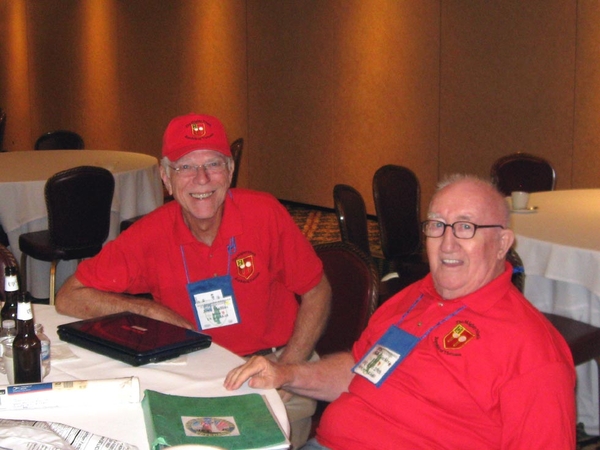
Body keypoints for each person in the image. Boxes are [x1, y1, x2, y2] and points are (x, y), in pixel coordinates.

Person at [224, 174, 576, 450]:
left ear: (502, 243)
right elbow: (358, 371)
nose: (448, 242)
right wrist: (285, 373)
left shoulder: (532, 351)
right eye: (437, 225)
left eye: (466, 227)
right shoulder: (413, 298)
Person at [55, 113, 332, 448]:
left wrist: (289, 368)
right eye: (185, 167)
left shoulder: (265, 214)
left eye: (213, 164)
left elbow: (317, 290)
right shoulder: (150, 233)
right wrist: (152, 312)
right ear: (165, 178)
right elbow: (70, 296)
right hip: (194, 368)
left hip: (274, 361)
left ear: (230, 172)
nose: (201, 179)